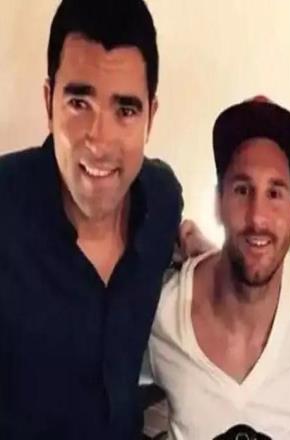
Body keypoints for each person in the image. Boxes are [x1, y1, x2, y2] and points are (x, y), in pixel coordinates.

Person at [0, 0, 184, 438]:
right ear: (49, 101)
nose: (99, 141)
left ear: (151, 116)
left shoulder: (161, 202)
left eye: (126, 110)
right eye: (79, 102)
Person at [148, 97, 290, 439]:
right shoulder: (162, 315)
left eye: (274, 193)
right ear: (218, 202)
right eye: (242, 190)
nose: (257, 217)